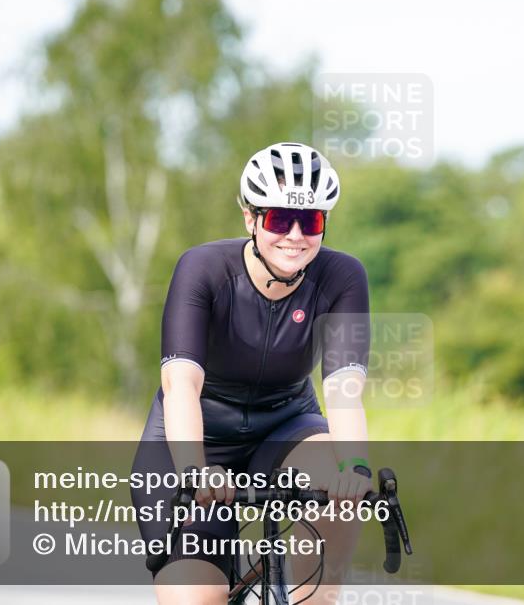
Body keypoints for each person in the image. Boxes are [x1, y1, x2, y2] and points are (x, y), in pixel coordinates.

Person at [132, 142, 373, 605]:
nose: (297, 236)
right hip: (196, 437)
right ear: (251, 218)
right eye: (281, 219)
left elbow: (344, 389)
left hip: (286, 425)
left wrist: (355, 466)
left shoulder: (343, 277)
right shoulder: (202, 268)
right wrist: (195, 472)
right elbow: (180, 384)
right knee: (196, 597)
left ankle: (311, 596)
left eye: (313, 221)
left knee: (336, 485)